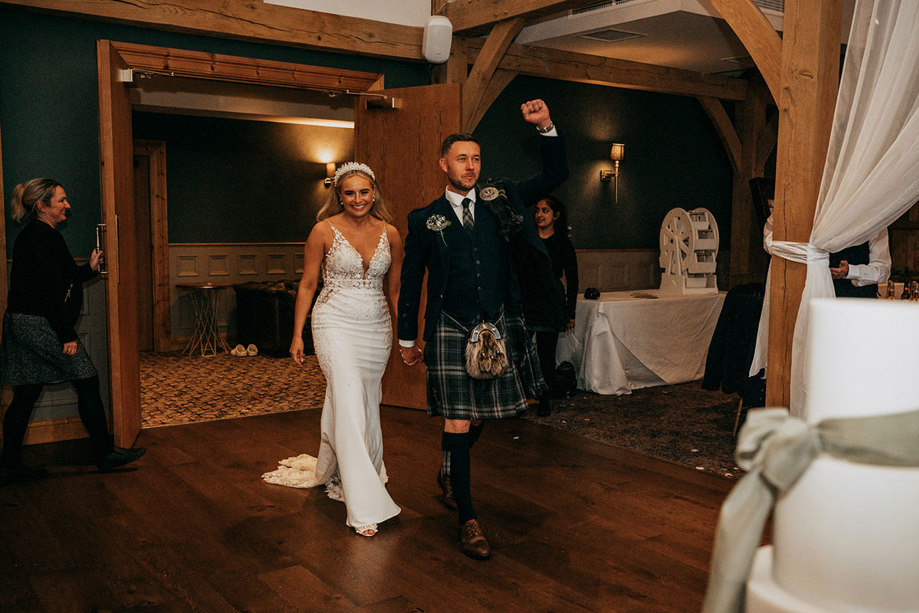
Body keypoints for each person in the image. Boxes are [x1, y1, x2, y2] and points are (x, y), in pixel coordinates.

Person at [398, 99, 567, 559]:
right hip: (451, 326)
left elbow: (552, 177)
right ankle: (468, 518)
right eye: (461, 158)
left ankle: (451, 465)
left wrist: (546, 127)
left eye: (475, 158)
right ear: (443, 164)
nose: (470, 166)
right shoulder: (423, 219)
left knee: (477, 418)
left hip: (498, 321)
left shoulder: (502, 198)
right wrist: (408, 338)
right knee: (456, 417)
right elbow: (412, 281)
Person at [262, 162, 403, 538]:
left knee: (365, 403)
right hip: (333, 322)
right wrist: (297, 336)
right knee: (350, 398)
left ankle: (350, 472)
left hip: (376, 326)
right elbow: (307, 284)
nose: (357, 199)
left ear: (374, 193)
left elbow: (395, 290)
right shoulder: (322, 230)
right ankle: (364, 504)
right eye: (349, 193)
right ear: (339, 196)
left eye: (364, 192)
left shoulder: (390, 233)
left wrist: (405, 334)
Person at [0, 178, 145, 483]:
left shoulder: (34, 235)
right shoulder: (44, 238)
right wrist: (66, 335)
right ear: (42, 206)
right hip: (40, 324)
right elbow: (49, 294)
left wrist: (89, 270)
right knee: (87, 379)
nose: (67, 205)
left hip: (22, 322)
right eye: (61, 200)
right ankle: (105, 455)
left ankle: (9, 465)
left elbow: (59, 280)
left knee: (26, 392)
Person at [533, 195, 578, 416]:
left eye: (545, 211)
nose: (540, 214)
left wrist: (571, 312)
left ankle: (544, 398)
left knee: (546, 353)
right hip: (528, 299)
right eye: (538, 210)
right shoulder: (529, 240)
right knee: (521, 351)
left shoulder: (563, 244)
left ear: (556, 216)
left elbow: (573, 278)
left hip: (551, 300)